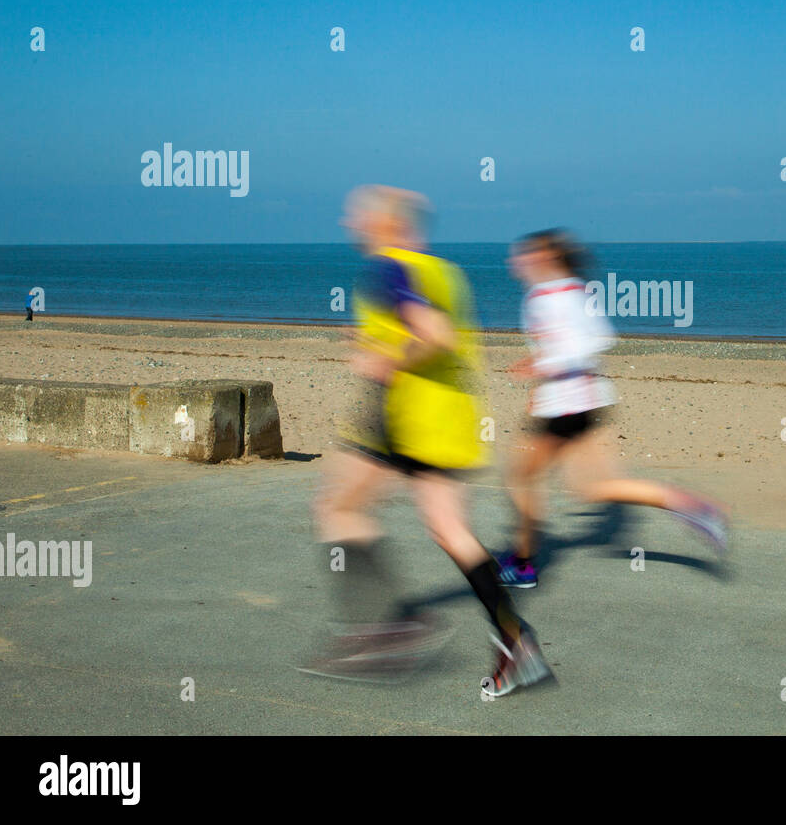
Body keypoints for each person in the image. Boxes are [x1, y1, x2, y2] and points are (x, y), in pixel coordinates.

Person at [301, 185, 551, 698]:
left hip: (403, 418)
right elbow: (446, 334)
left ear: (389, 225)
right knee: (449, 529)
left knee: (336, 509)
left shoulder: (386, 268)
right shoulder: (445, 271)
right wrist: (380, 341)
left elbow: (433, 333)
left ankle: (386, 631)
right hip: (449, 420)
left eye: (361, 217)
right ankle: (516, 641)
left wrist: (385, 359)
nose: (353, 224)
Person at [495, 229, 728, 589]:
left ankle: (523, 565)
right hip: (588, 401)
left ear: (547, 259)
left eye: (525, 255)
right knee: (594, 488)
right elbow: (597, 337)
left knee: (520, 478)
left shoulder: (545, 295)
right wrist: (543, 366)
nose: (516, 261)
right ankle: (690, 506)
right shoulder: (574, 289)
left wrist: (542, 366)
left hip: (565, 408)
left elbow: (584, 344)